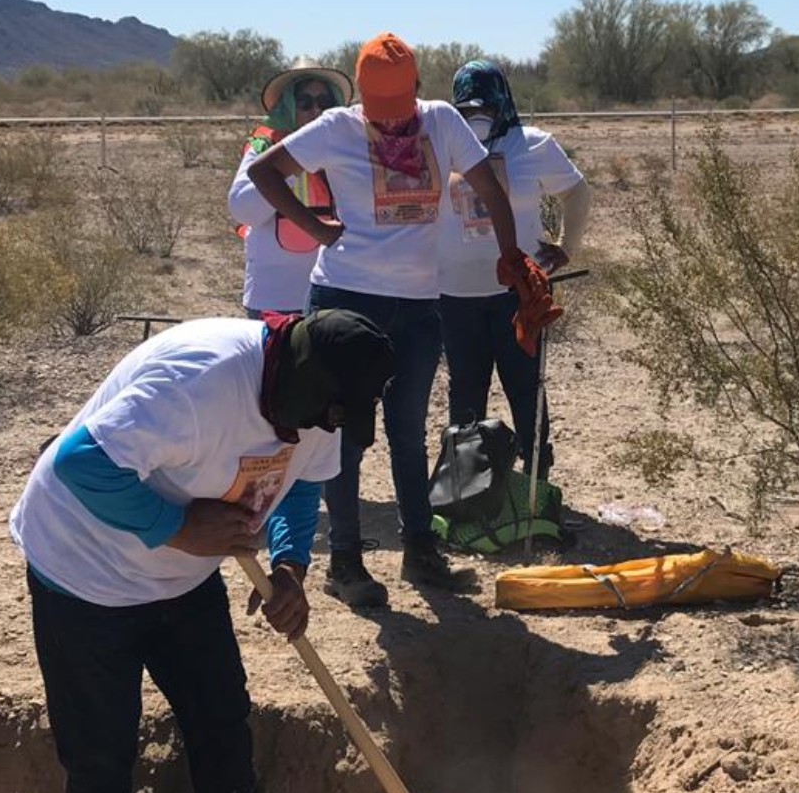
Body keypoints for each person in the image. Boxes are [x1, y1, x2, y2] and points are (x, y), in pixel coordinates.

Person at [9, 309, 395, 793]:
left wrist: (289, 567)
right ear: (303, 383)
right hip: (85, 570)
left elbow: (303, 484)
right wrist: (181, 527)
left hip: (186, 577)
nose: (328, 429)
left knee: (220, 716)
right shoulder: (197, 383)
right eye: (329, 414)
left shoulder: (318, 410)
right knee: (100, 745)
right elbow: (79, 462)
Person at [244, 34, 557, 610]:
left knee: (408, 428)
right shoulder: (337, 127)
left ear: (417, 89)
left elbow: (487, 185)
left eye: (399, 110)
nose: (390, 124)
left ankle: (420, 550)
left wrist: (511, 257)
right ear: (362, 94)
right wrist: (315, 230)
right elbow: (265, 174)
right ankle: (345, 563)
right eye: (380, 112)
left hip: (417, 304)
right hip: (344, 299)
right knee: (342, 434)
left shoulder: (440, 122)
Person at [438, 60, 591, 481]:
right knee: (466, 391)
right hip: (455, 295)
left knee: (525, 386)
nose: (476, 118)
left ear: (503, 101)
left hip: (519, 292)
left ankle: (536, 478)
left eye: (484, 107)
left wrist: (566, 248)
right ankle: (467, 483)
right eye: (466, 110)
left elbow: (577, 193)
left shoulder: (533, 145)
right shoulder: (441, 146)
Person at [226, 59, 352, 317]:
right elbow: (242, 209)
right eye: (304, 103)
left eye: (324, 102)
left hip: (331, 295)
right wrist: (292, 164)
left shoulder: (345, 148)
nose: (315, 110)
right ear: (288, 106)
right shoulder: (264, 147)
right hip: (273, 301)